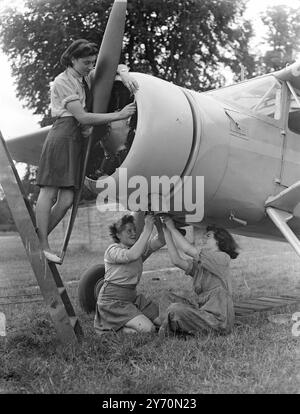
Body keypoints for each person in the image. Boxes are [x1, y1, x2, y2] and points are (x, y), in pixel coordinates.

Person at [35, 39, 138, 263]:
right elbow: (81, 117)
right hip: (62, 136)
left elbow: (109, 68)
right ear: (72, 59)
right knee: (49, 191)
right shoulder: (62, 82)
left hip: (77, 141)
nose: (90, 66)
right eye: (86, 62)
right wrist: (119, 115)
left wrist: (125, 73)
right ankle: (42, 245)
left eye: (92, 62)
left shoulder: (84, 78)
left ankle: (38, 239)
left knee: (67, 199)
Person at [159, 217, 239, 337]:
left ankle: (171, 327)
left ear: (219, 240)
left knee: (175, 309)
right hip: (203, 314)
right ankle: (173, 326)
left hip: (217, 322)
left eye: (208, 236)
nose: (203, 239)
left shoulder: (222, 258)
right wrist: (166, 231)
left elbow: (187, 249)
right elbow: (176, 261)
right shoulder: (202, 263)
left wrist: (172, 228)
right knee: (166, 297)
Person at [94, 213, 165, 335]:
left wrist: (157, 220)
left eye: (134, 230)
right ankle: (110, 329)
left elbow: (160, 240)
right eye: (128, 231)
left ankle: (133, 319)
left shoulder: (137, 248)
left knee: (162, 320)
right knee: (149, 329)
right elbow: (132, 255)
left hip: (132, 298)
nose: (133, 233)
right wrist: (147, 228)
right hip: (113, 302)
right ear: (118, 235)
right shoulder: (112, 250)